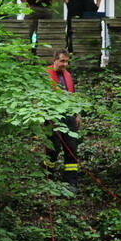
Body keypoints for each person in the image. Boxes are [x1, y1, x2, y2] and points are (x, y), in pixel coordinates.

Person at [46, 50, 81, 189]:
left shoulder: (68, 75)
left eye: (67, 61)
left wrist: (77, 114)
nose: (64, 64)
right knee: (53, 148)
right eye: (62, 61)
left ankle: (71, 181)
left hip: (68, 116)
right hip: (51, 117)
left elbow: (73, 96)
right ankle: (49, 176)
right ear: (55, 60)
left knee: (72, 148)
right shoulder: (45, 75)